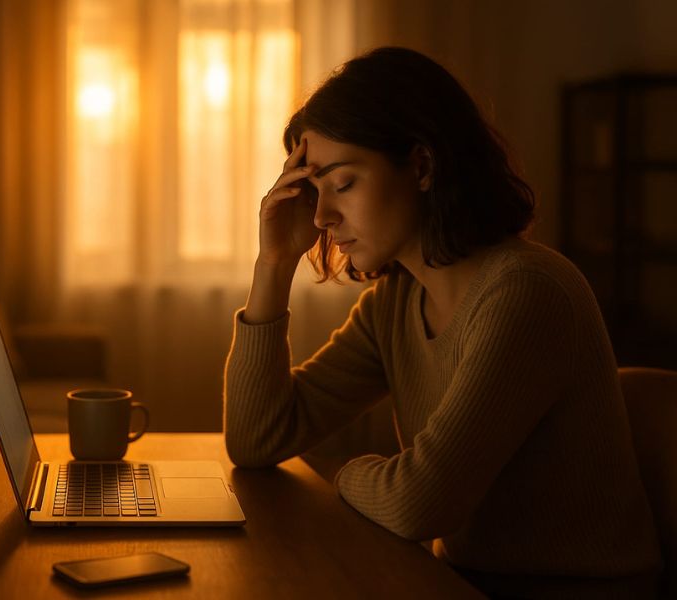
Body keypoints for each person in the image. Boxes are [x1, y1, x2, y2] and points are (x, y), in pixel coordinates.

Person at [223, 47, 662, 597]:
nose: (321, 217)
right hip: (458, 581)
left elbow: (416, 503)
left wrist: (343, 471)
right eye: (314, 190)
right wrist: (274, 264)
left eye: (343, 183)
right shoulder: (395, 303)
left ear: (423, 166)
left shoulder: (527, 292)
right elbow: (255, 439)